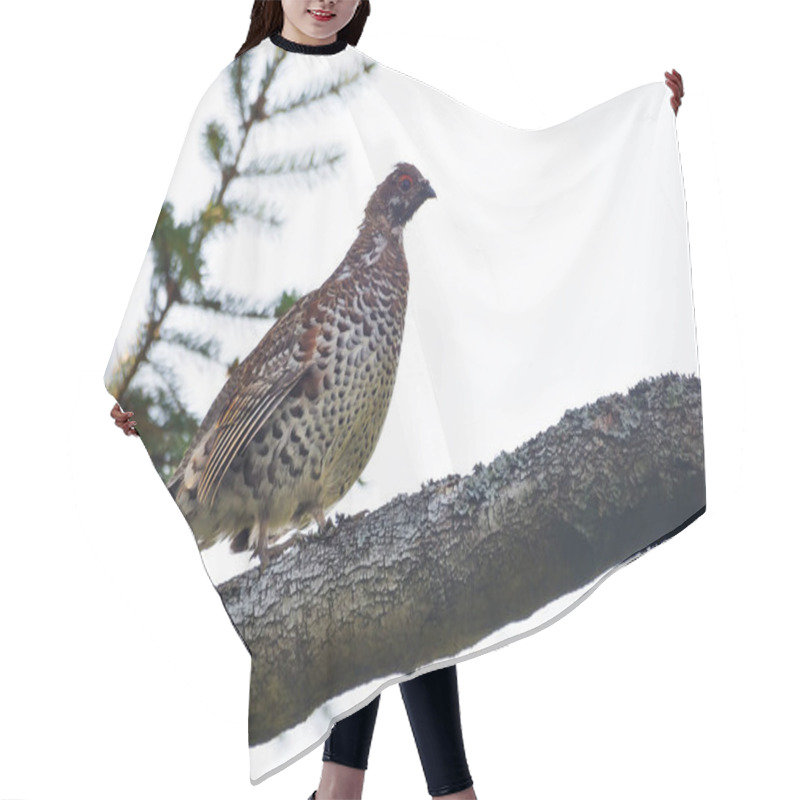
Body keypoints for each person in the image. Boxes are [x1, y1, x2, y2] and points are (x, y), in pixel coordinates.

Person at [110, 2, 685, 798]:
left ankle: (344, 791)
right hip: (252, 424)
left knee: (380, 573)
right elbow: (185, 246)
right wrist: (140, 372)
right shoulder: (233, 92)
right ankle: (435, 792)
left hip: (390, 399)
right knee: (390, 580)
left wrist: (633, 124)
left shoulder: (377, 88)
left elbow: (495, 161)